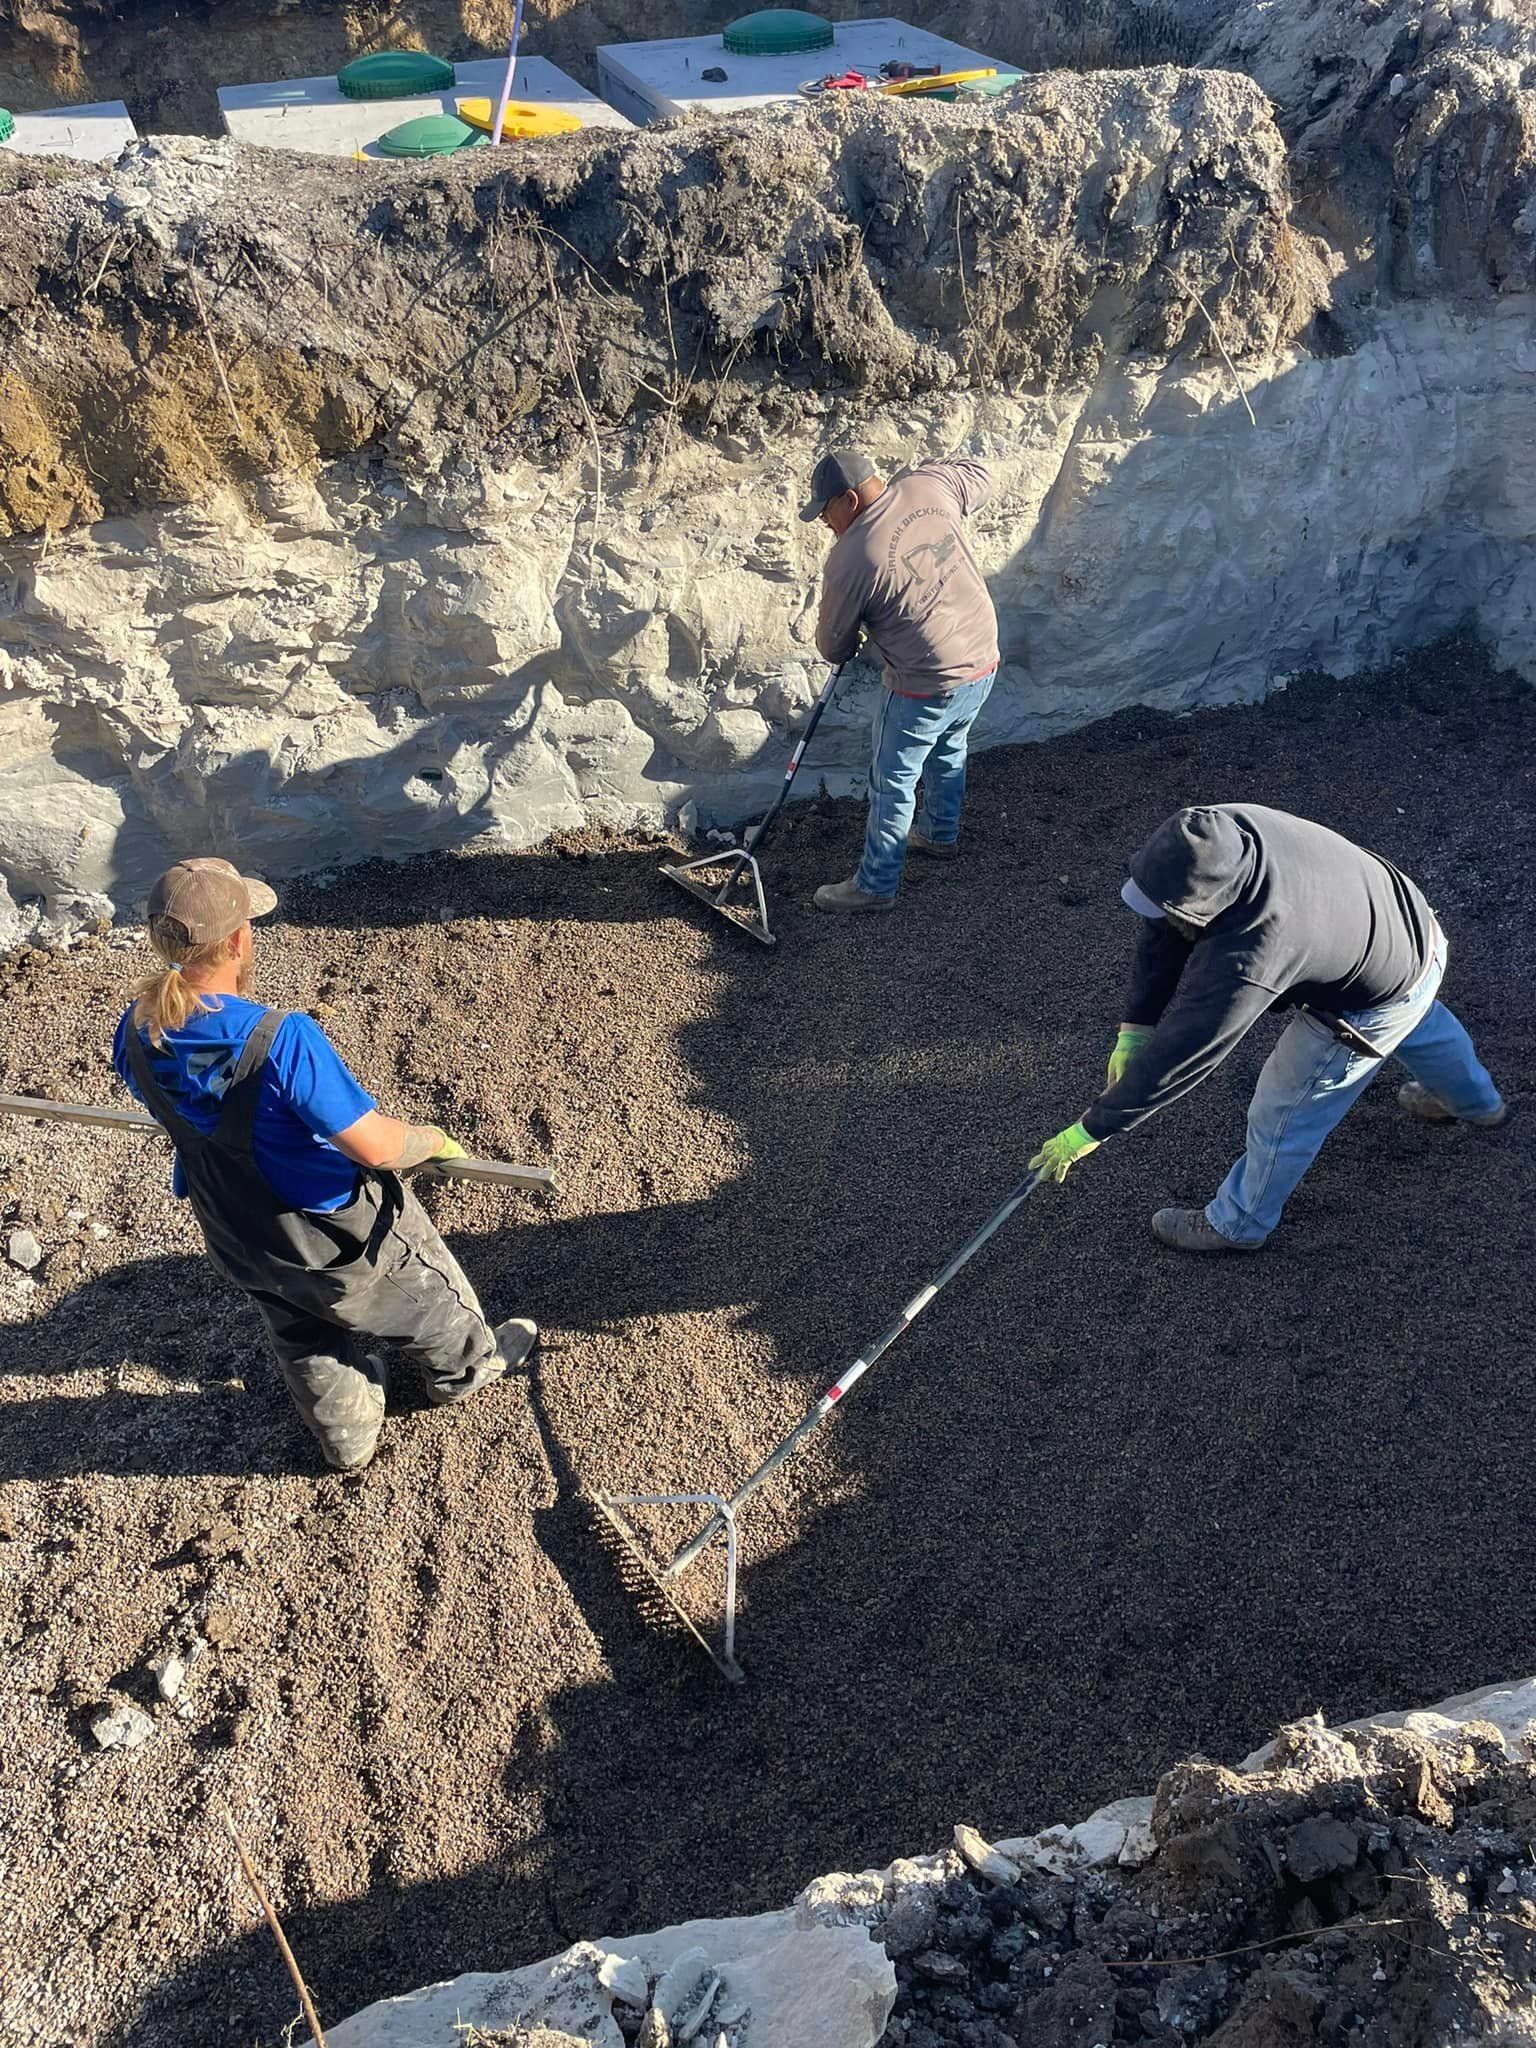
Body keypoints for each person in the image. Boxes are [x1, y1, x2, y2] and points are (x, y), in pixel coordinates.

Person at [113, 856, 536, 1472]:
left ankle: (346, 1438)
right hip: (334, 1238)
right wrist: (430, 1141)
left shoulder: (136, 1029)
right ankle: (463, 1372)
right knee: (428, 1299)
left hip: (235, 1228)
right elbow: (373, 1147)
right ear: (238, 939)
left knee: (300, 1328)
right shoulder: (281, 1039)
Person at [1026, 804, 1507, 1251]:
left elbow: (1191, 1047)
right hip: (1410, 930)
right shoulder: (1218, 833)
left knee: (1283, 1106)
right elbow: (1167, 926)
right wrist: (1135, 1027)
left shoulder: (1255, 951)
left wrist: (1094, 1127)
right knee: (1418, 1015)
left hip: (1367, 997)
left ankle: (1238, 1223)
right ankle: (1479, 1104)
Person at [802, 448, 1001, 913]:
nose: (825, 524)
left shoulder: (850, 557)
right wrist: (936, 463)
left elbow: (833, 647)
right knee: (950, 747)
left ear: (849, 499)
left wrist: (857, 627)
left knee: (893, 780)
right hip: (982, 656)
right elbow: (981, 474)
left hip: (924, 681)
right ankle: (939, 834)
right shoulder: (928, 485)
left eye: (826, 512)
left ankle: (875, 885)